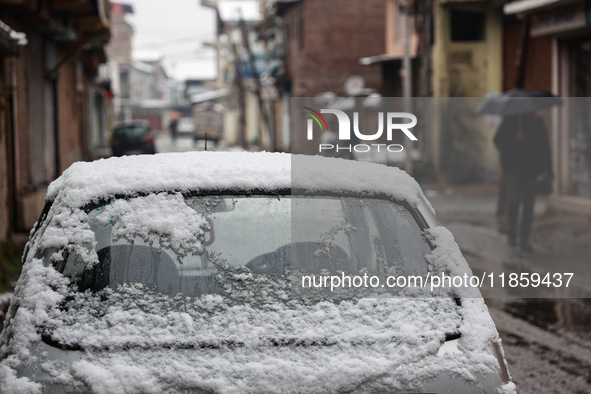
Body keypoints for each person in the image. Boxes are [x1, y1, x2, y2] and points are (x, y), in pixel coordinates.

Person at [494, 112, 553, 252]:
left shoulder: (537, 123)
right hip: (513, 170)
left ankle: (524, 240)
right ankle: (512, 236)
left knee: (529, 205)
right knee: (513, 202)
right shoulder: (510, 122)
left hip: (531, 170)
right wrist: (515, 138)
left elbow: (544, 146)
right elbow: (498, 141)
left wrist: (548, 168)